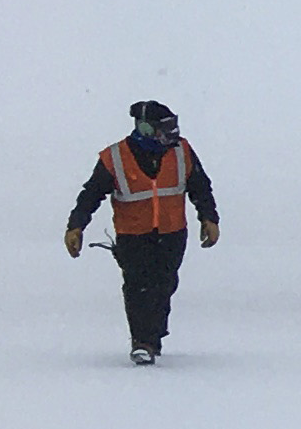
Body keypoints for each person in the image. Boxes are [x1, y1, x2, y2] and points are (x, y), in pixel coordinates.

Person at [63, 100, 219, 365]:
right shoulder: (113, 158)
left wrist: (209, 218)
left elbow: (200, 187)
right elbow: (91, 195)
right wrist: (76, 226)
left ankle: (154, 333)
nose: (172, 134)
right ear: (146, 129)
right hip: (132, 235)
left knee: (165, 283)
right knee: (138, 286)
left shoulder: (182, 151)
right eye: (165, 129)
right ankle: (142, 341)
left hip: (172, 233)